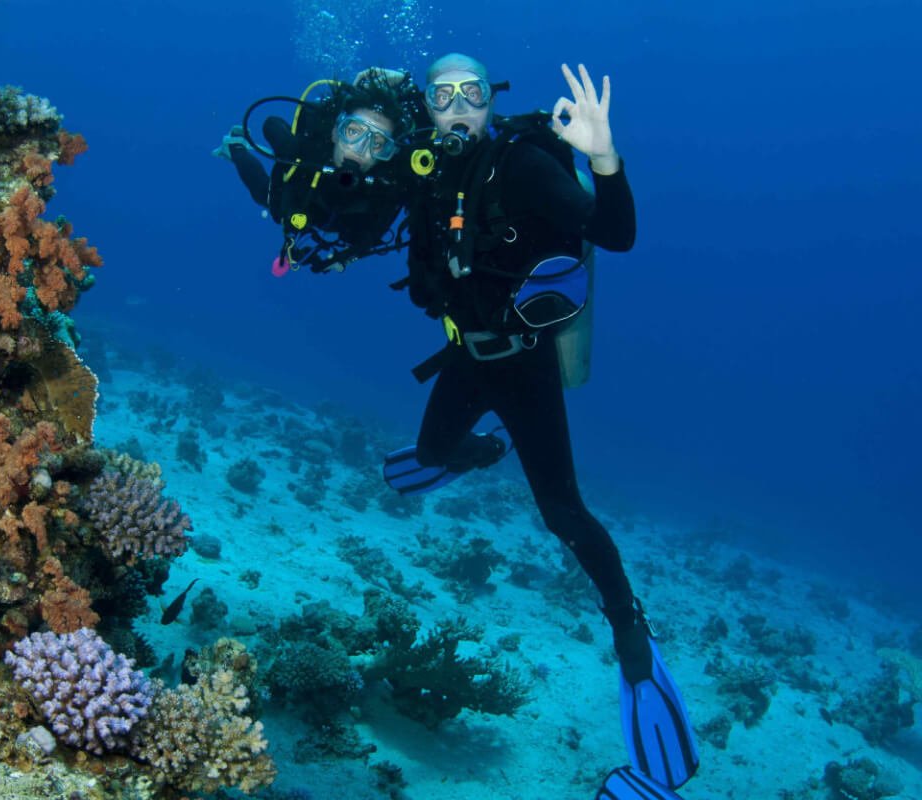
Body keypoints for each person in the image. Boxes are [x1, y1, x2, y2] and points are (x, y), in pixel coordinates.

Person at [381, 53, 699, 796]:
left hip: (524, 366)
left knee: (562, 513)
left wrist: (604, 158)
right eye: (443, 95)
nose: (457, 107)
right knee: (432, 450)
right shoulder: (422, 173)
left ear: (490, 103)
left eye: (470, 93)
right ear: (426, 107)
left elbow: (614, 236)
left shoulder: (520, 165)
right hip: (464, 359)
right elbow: (352, 209)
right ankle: (480, 451)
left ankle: (633, 638)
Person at [213, 77, 416, 274]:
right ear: (336, 131)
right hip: (304, 201)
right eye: (354, 132)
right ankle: (236, 146)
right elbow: (271, 124)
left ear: (386, 154)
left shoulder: (388, 186)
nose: (360, 149)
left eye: (377, 143)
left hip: (339, 221)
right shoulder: (306, 153)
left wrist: (344, 257)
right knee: (261, 194)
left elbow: (371, 237)